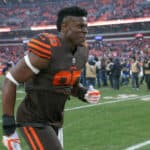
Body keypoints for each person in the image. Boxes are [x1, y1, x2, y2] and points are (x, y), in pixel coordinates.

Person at [2, 6, 100, 150]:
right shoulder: (47, 47)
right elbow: (11, 79)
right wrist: (9, 127)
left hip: (55, 120)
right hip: (33, 119)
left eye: (86, 26)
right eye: (80, 26)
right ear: (64, 26)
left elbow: (70, 85)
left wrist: (83, 93)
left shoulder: (82, 51)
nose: (85, 30)